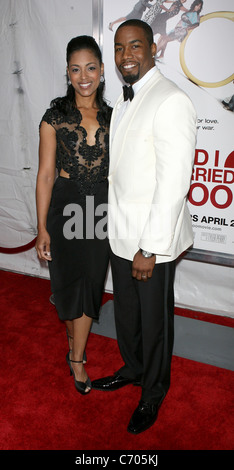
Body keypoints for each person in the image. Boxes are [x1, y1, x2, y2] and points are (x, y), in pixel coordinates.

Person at [92, 20, 197, 434]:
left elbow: (173, 183)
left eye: (135, 46)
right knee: (128, 314)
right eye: (118, 49)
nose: (126, 56)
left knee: (154, 322)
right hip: (121, 233)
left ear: (153, 49)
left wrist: (150, 247)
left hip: (152, 239)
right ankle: (133, 369)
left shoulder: (170, 100)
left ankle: (153, 393)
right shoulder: (123, 101)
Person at [35, 36, 112, 395]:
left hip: (100, 209)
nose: (84, 76)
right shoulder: (55, 117)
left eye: (91, 67)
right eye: (76, 69)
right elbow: (46, 174)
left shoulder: (115, 117)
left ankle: (77, 359)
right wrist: (40, 228)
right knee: (68, 289)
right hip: (65, 208)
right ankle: (73, 340)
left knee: (89, 286)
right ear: (67, 72)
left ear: (101, 71)